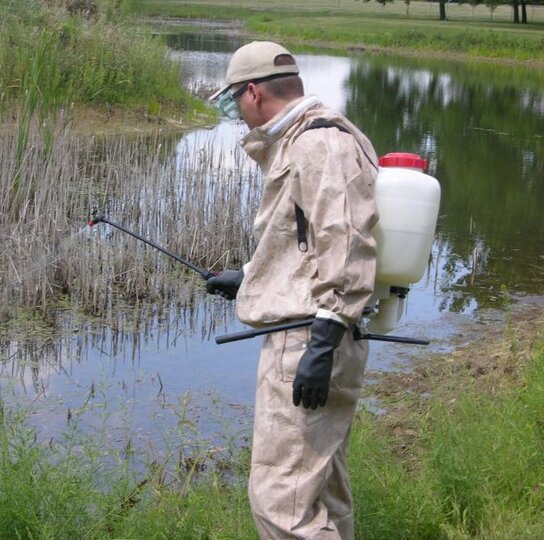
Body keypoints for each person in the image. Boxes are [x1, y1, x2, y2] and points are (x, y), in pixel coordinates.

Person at [206, 41, 379, 540]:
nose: (237, 113)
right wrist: (252, 274)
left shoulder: (318, 143)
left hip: (309, 337)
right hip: (320, 328)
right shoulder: (313, 137)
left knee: (281, 504)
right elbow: (309, 239)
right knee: (321, 490)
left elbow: (346, 241)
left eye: (233, 101)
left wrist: (322, 343)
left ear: (254, 93)